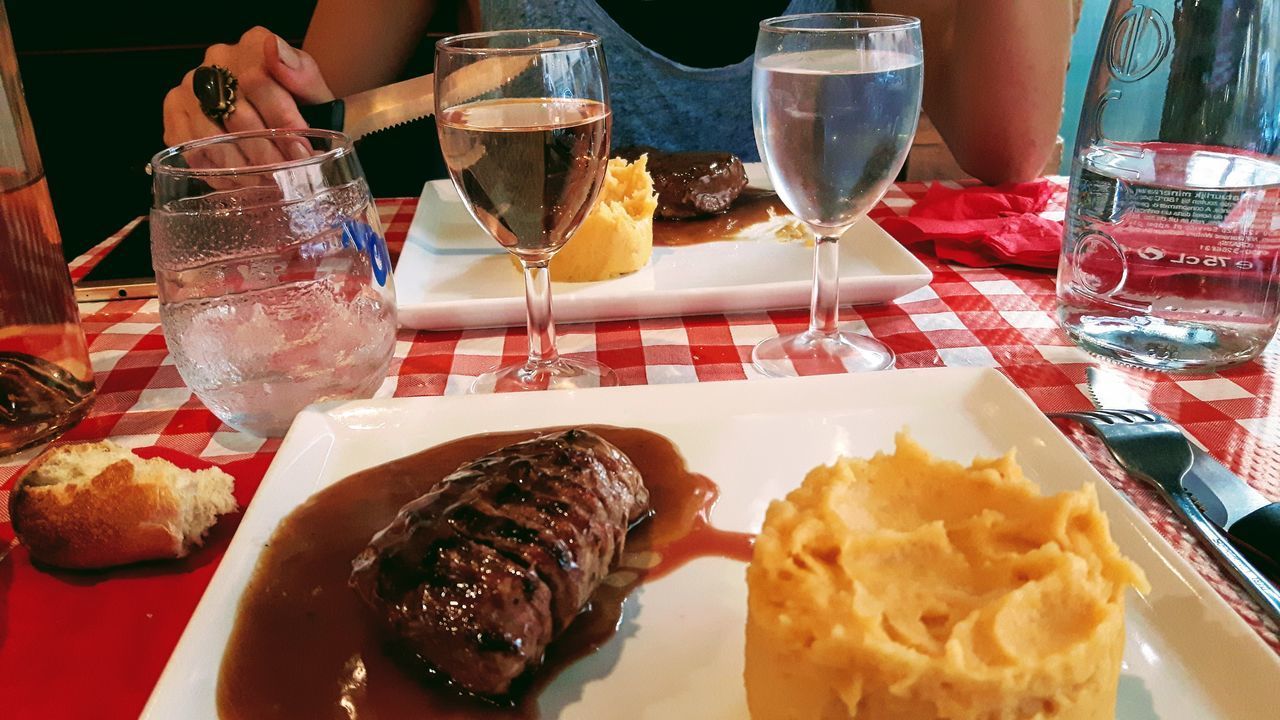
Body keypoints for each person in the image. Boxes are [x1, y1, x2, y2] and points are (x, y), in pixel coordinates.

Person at [163, 0, 1077, 185]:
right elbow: (324, 128)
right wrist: (252, 106)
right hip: (528, 342)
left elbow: (1006, 146)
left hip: (798, 345)